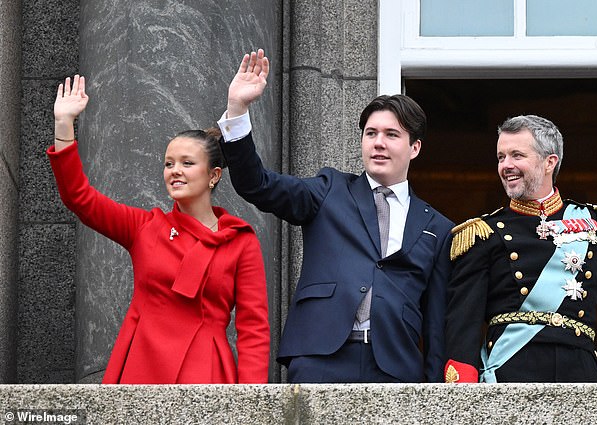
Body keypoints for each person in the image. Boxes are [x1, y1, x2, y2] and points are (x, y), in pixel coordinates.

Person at [217, 50, 454, 383]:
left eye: (391, 134)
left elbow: (435, 318)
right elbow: (257, 185)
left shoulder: (438, 227)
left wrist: (435, 391)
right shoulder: (330, 189)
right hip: (319, 357)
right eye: (371, 133)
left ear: (414, 148)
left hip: (397, 367)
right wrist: (238, 110)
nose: (378, 143)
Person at [48, 74, 270, 384]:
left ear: (214, 175)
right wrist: (63, 124)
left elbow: (253, 329)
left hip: (205, 370)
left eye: (187, 163)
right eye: (169, 164)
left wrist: (251, 403)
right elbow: (79, 198)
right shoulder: (145, 227)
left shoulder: (240, 241)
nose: (175, 171)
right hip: (142, 363)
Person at [445, 114, 597, 383]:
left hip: (580, 377)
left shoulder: (594, 226)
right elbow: (462, 324)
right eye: (501, 157)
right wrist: (462, 392)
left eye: (516, 155)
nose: (506, 166)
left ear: (549, 162)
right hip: (510, 374)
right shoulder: (484, 234)